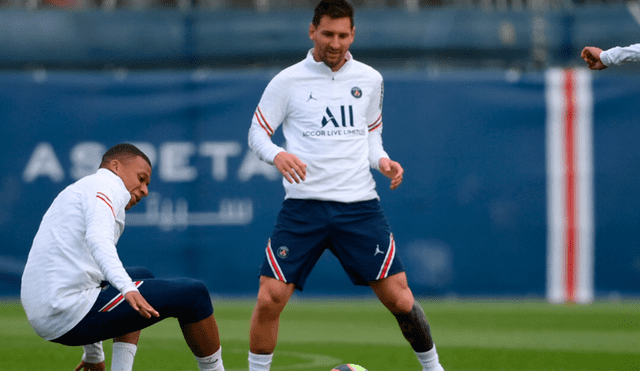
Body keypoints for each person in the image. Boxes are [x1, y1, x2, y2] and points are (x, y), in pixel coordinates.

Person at [246, 1, 445, 371]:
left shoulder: (370, 79)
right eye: (327, 34)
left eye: (342, 35)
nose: (335, 43)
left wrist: (382, 161)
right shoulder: (287, 81)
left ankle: (434, 369)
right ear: (312, 31)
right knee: (269, 299)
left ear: (352, 34)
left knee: (401, 300)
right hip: (303, 207)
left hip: (359, 206)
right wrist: (277, 156)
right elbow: (257, 133)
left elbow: (371, 136)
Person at [20, 143, 225, 371]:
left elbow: (88, 276)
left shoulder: (82, 188)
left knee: (142, 276)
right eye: (141, 178)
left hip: (49, 309)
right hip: (64, 314)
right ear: (115, 167)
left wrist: (94, 354)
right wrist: (128, 288)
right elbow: (99, 241)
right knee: (194, 295)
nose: (145, 190)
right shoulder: (106, 187)